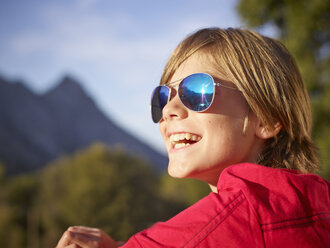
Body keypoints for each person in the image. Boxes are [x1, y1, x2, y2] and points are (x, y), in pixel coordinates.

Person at [56, 27, 330, 248]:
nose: (168, 110)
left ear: (268, 119)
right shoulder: (318, 201)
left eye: (197, 91)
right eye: (162, 97)